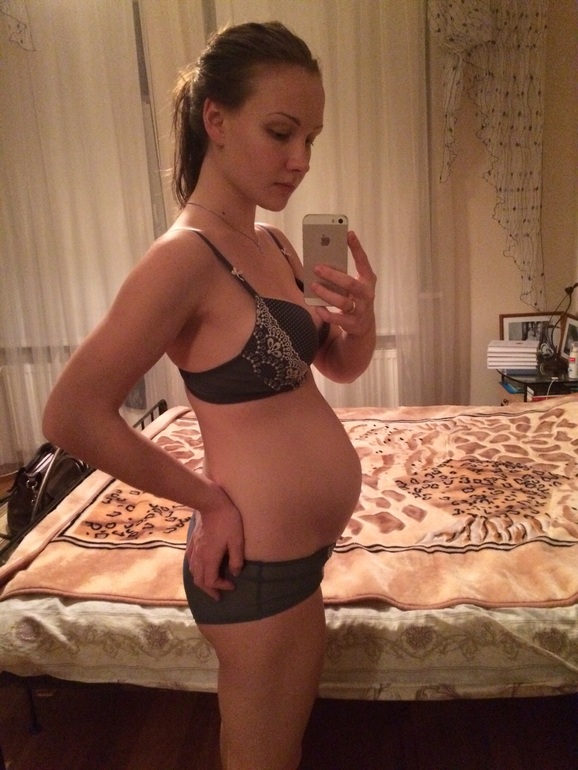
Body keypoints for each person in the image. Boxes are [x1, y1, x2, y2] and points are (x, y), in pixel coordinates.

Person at [43, 20, 376, 770]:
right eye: (281, 133)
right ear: (216, 121)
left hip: (299, 555)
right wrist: (208, 502)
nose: (301, 160)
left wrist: (362, 322)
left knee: (278, 746)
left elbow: (333, 370)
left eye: (311, 139)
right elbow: (71, 414)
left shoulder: (274, 245)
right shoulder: (183, 260)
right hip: (256, 567)